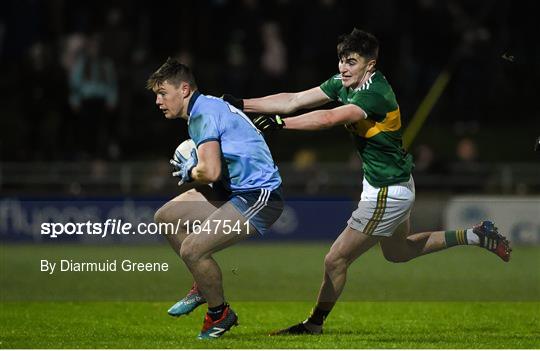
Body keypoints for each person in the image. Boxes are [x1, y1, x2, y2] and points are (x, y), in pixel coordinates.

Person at [223, 28, 511, 335]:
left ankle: (314, 324)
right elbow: (294, 99)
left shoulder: (375, 93)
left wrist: (281, 124)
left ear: (369, 65)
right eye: (341, 60)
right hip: (389, 184)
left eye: (351, 61)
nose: (343, 68)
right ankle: (477, 235)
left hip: (389, 193)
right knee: (398, 253)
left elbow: (329, 118)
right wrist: (241, 103)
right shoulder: (345, 83)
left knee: (335, 259)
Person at [147, 58, 283, 339]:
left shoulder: (202, 114)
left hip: (259, 196)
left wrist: (191, 170)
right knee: (166, 218)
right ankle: (202, 283)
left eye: (163, 93)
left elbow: (210, 172)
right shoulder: (206, 106)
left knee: (192, 251)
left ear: (184, 89)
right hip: (232, 190)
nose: (158, 101)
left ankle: (219, 314)